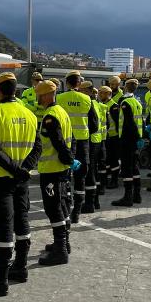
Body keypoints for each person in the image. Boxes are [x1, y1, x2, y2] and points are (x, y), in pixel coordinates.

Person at [0, 72, 41, 296]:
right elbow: (37, 147)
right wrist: (24, 170)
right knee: (22, 222)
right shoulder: (30, 114)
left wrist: (14, 170)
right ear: (15, 90)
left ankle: (0, 278)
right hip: (21, 179)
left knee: (4, 227)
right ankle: (21, 267)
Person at [35, 80, 81, 265]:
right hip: (60, 169)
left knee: (53, 209)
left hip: (52, 170)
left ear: (46, 95)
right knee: (62, 205)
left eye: (39, 94)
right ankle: (63, 243)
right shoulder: (61, 112)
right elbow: (73, 138)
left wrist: (69, 159)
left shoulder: (50, 117)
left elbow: (59, 142)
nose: (37, 97)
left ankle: (61, 250)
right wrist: (72, 159)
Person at [57, 70, 99, 223]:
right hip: (82, 143)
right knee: (81, 177)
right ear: (79, 83)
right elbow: (94, 125)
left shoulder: (59, 98)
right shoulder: (87, 99)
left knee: (64, 176)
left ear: (67, 82)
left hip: (65, 142)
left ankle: (66, 210)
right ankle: (77, 212)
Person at [111, 79, 143, 207]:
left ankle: (128, 197)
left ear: (125, 88)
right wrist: (140, 137)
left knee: (127, 168)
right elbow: (140, 121)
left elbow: (129, 123)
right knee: (134, 167)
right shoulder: (137, 102)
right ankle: (137, 195)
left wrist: (135, 137)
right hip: (135, 140)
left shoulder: (125, 102)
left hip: (127, 139)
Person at [78, 81, 102, 213]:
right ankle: (95, 201)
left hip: (91, 141)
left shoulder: (89, 102)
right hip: (97, 140)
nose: (79, 92)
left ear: (87, 90)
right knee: (94, 172)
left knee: (89, 173)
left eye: (81, 90)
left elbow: (93, 125)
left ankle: (90, 204)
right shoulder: (96, 103)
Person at [100, 86, 121, 189]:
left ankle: (114, 180)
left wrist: (119, 137)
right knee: (107, 160)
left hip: (114, 137)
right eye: (100, 93)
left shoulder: (114, 106)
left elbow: (118, 123)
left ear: (108, 94)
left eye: (102, 93)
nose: (100, 95)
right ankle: (108, 179)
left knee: (113, 160)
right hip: (106, 137)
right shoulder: (103, 105)